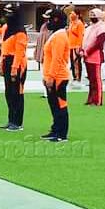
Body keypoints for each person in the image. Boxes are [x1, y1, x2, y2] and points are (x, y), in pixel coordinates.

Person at [41, 8, 71, 142]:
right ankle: (55, 129)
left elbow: (57, 59)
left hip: (58, 77)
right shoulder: (56, 34)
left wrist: (51, 77)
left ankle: (61, 133)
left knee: (60, 105)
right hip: (52, 75)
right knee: (54, 105)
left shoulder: (59, 36)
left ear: (56, 19)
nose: (47, 22)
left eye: (49, 19)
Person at [0, 4, 29, 131]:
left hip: (17, 64)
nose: (7, 15)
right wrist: (1, 65)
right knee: (8, 93)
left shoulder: (20, 32)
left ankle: (17, 122)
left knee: (17, 93)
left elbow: (19, 51)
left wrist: (14, 68)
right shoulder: (6, 28)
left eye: (9, 13)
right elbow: (3, 48)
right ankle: (11, 119)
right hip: (7, 60)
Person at [83, 8, 105, 106]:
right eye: (91, 15)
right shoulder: (89, 28)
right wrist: (82, 50)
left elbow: (99, 43)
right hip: (86, 55)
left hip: (95, 55)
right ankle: (90, 99)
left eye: (94, 15)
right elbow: (85, 40)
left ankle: (97, 100)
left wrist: (88, 51)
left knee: (96, 79)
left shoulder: (102, 27)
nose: (92, 17)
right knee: (91, 79)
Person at [67, 8, 85, 86]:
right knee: (72, 62)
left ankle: (78, 78)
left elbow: (81, 36)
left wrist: (79, 46)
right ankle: (74, 77)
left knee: (77, 62)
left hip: (76, 45)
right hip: (70, 45)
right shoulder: (71, 23)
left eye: (73, 13)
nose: (71, 15)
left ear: (77, 15)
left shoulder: (79, 24)